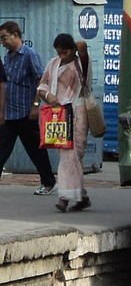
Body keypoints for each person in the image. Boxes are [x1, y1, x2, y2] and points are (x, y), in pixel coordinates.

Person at [0, 21, 57, 194]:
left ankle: (48, 182)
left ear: (15, 35)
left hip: (26, 113)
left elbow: (41, 81)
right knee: (2, 148)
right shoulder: (8, 57)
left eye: (4, 37)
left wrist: (36, 105)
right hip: (10, 113)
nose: (2, 42)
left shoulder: (29, 55)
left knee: (35, 151)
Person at [37, 33, 89, 212]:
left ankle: (66, 196)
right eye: (59, 53)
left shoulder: (81, 65)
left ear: (72, 50)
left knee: (72, 155)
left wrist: (79, 49)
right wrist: (48, 96)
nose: (62, 56)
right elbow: (42, 85)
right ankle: (76, 196)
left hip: (77, 113)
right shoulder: (53, 63)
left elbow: (83, 50)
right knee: (67, 155)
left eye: (65, 52)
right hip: (58, 114)